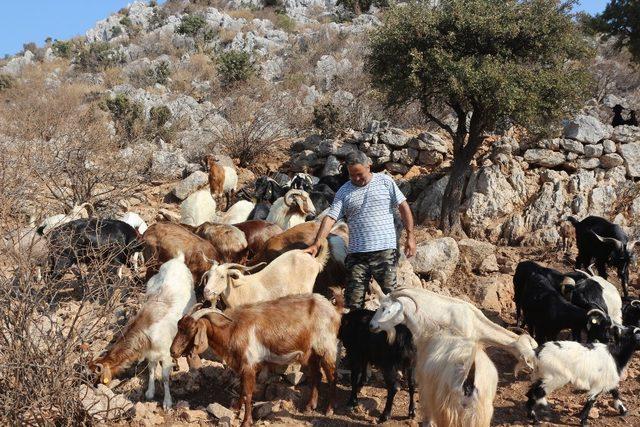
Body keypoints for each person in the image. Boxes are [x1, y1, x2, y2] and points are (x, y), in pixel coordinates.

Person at [304, 151, 416, 309]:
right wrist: (317, 243)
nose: (356, 178)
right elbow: (330, 218)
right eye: (352, 175)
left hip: (384, 251)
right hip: (357, 256)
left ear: (368, 166)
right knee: (352, 304)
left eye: (359, 174)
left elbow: (403, 207)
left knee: (392, 299)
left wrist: (410, 237)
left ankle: (396, 332)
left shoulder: (385, 181)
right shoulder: (344, 191)